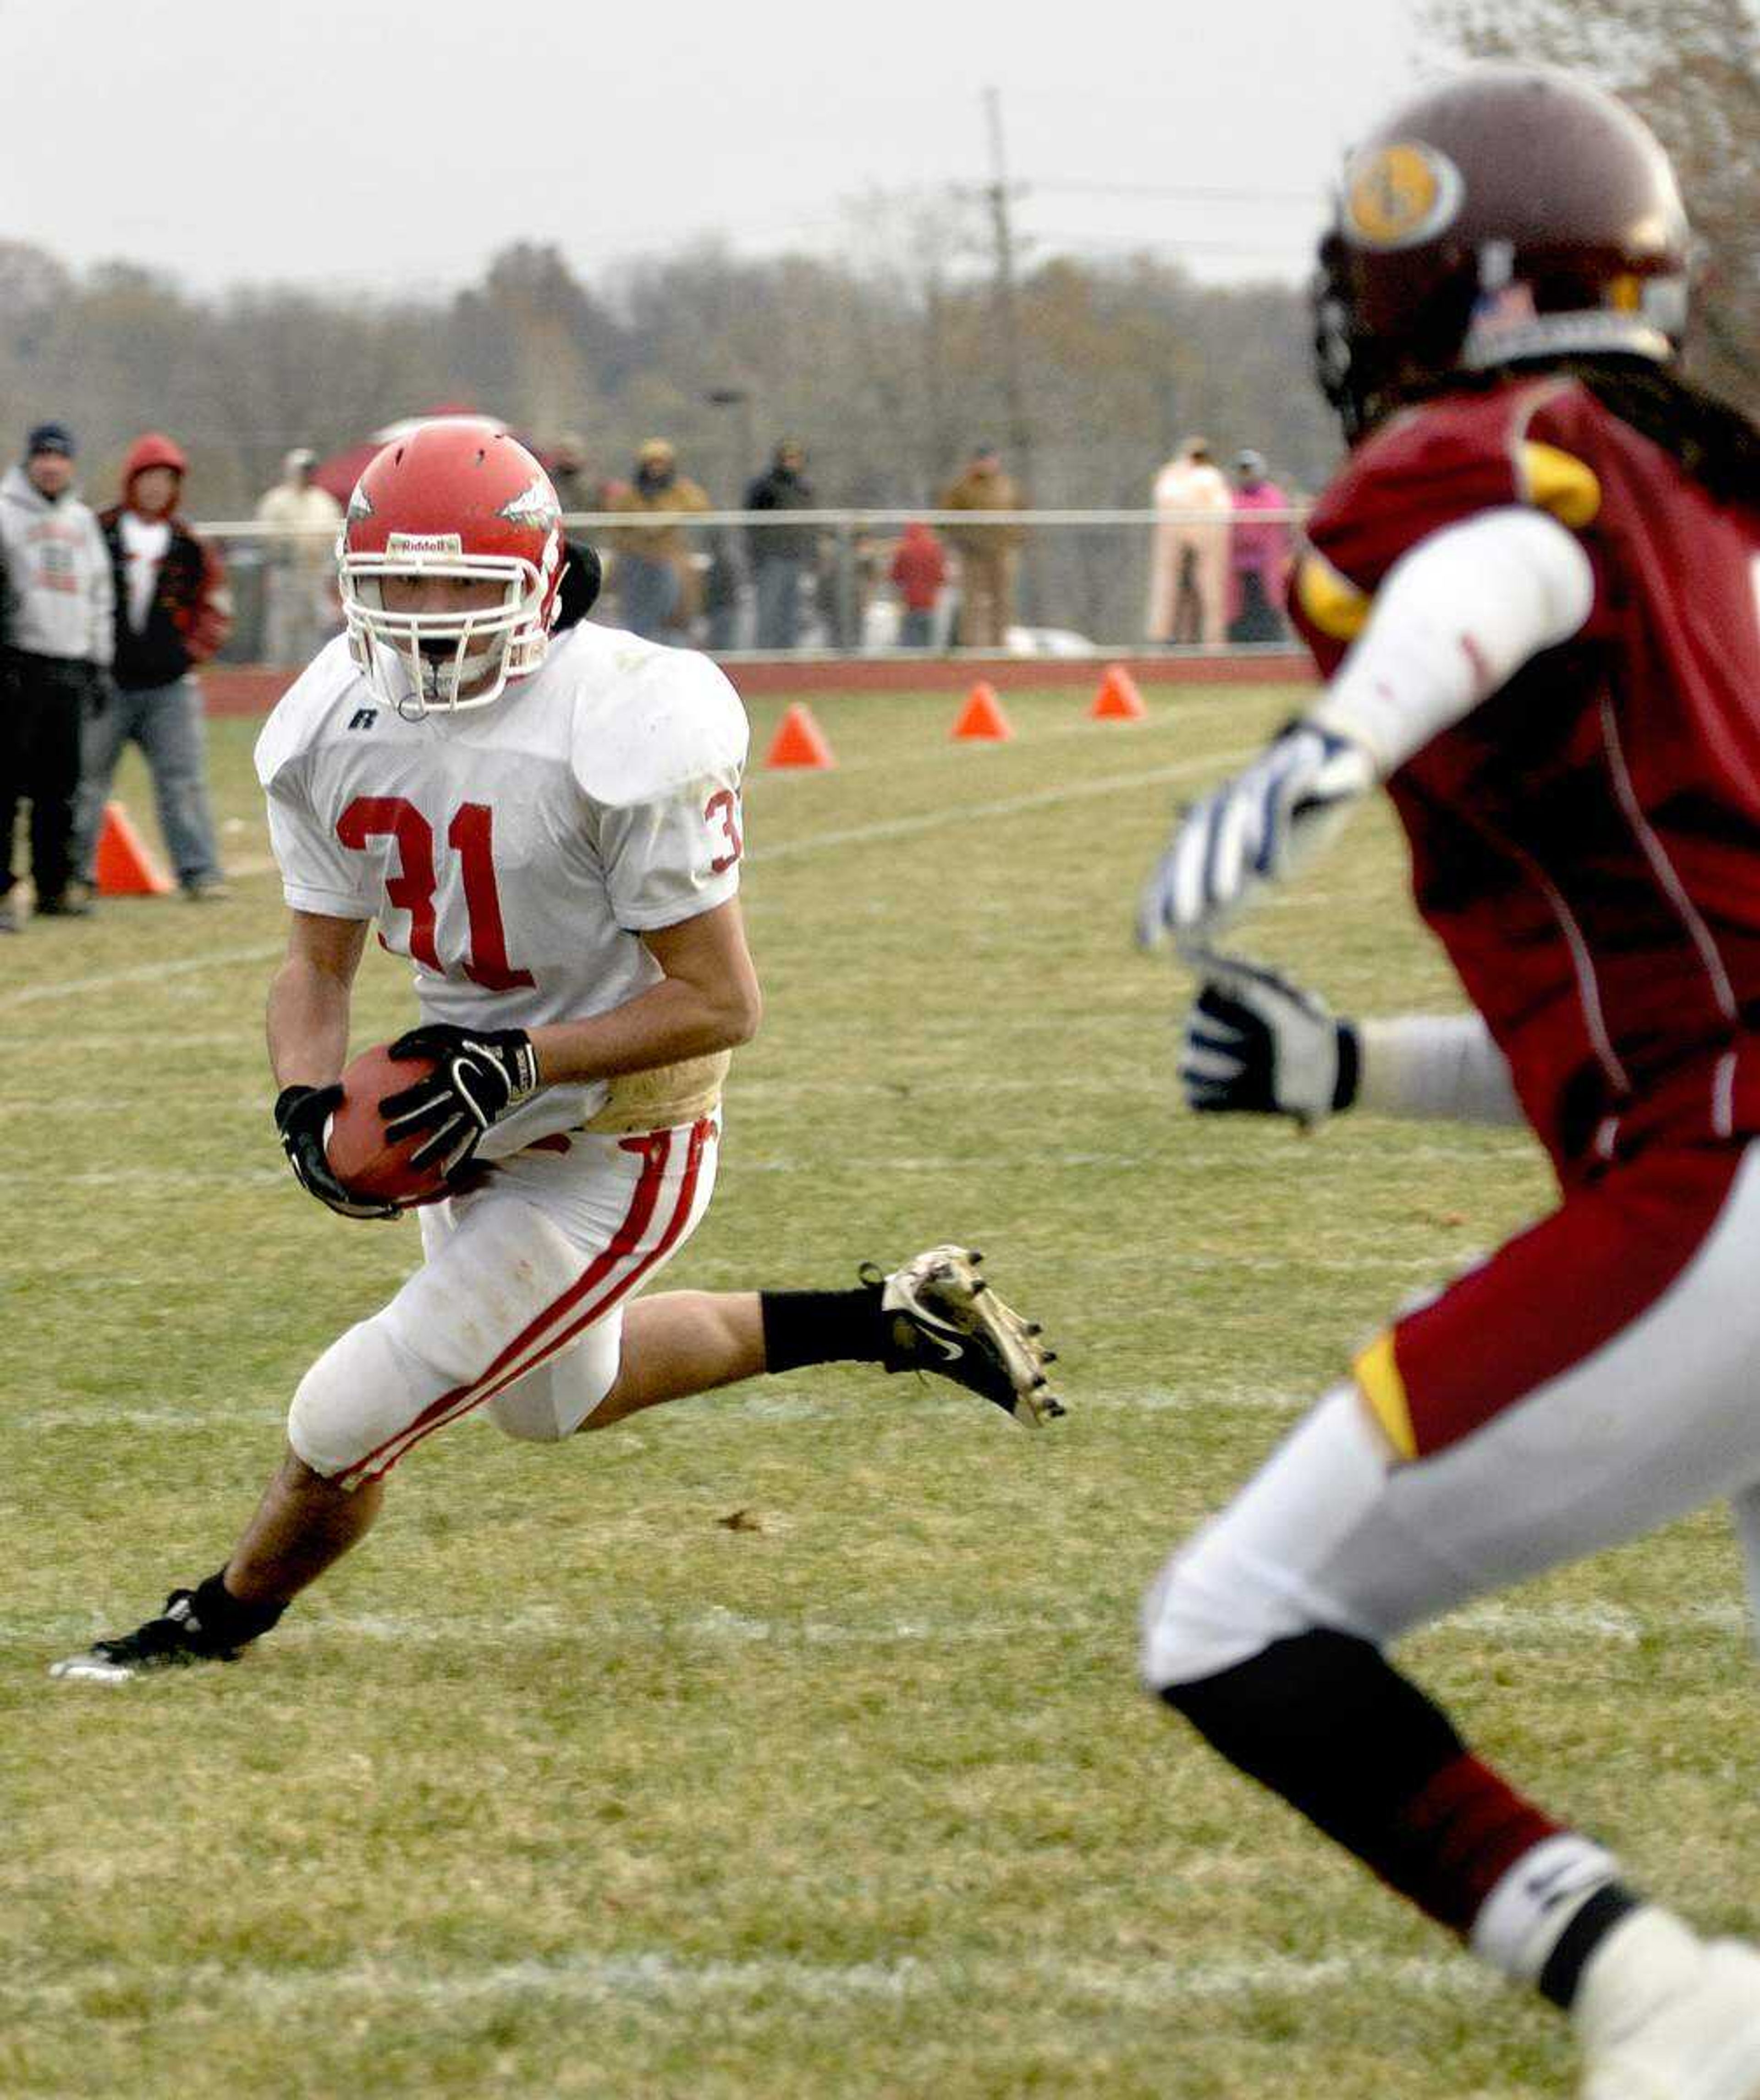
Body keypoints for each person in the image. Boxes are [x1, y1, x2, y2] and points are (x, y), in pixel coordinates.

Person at [50, 419, 1061, 1686]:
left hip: (616, 1130)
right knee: (550, 1400)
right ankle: (890, 1320)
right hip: (460, 1108)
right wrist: (305, 1102)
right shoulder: (327, 722)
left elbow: (722, 999)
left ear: (542, 579)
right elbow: (314, 965)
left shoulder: (628, 717)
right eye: (395, 586)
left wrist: (523, 1065)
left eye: (459, 588)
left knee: (349, 1411)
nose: (423, 622)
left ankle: (216, 1618)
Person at [1135, 66, 1760, 2095]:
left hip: (1731, 1173)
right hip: (1707, 1115)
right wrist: (1344, 1065)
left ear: (1458, 284)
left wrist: (1327, 751)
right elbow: (1635, 1022)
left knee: (1231, 1614)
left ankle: (1647, 1983)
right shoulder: (1711, 507)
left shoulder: (1525, 471)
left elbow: (1499, 574)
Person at [73, 431, 232, 901]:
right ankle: (75, 873)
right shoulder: (96, 531)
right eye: (149, 478)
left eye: (166, 480)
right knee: (86, 782)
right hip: (107, 682)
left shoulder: (190, 544)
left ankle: (200, 872)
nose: (157, 489)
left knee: (183, 783)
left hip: (170, 688)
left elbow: (217, 608)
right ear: (132, 481)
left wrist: (189, 654)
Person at [0, 422, 113, 929]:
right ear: (29, 461)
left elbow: (98, 593)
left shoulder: (82, 521)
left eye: (59, 457)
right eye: (42, 456)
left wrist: (99, 661)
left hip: (70, 664)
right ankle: (4, 892)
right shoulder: (5, 513)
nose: (50, 465)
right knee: (6, 788)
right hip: (19, 661)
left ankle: (53, 886)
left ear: (70, 463)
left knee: (60, 787)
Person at [607, 438, 710, 643]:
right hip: (637, 561)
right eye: (651, 463)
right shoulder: (632, 495)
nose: (656, 468)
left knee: (672, 610)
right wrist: (641, 532)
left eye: (661, 463)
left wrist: (670, 518)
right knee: (637, 614)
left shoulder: (681, 491)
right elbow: (616, 526)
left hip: (671, 560)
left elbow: (701, 507)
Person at [255, 447, 342, 667]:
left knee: (314, 623)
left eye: (310, 471)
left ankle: (311, 668)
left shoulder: (324, 501)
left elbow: (334, 534)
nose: (307, 475)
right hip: (286, 571)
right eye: (303, 470)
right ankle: (276, 670)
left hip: (316, 573)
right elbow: (267, 535)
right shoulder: (276, 500)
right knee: (282, 623)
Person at [1145, 437, 1231, 645]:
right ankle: (1166, 637)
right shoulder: (1173, 476)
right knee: (1172, 592)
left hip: (1206, 539)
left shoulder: (1211, 476)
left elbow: (1222, 508)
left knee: (1209, 592)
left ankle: (1212, 640)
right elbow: (1166, 501)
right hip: (1176, 540)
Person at [938, 445, 1025, 649]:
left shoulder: (1007, 485)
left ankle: (1000, 645)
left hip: (1002, 551)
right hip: (973, 553)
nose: (987, 465)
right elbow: (945, 518)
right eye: (982, 461)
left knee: (1002, 601)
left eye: (991, 460)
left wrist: (1018, 536)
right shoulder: (962, 487)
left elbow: (1021, 511)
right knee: (973, 602)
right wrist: (963, 536)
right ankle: (971, 646)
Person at [743, 441, 816, 651]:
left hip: (795, 556)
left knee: (791, 611)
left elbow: (810, 524)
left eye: (795, 458)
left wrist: (811, 551)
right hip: (771, 557)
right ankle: (764, 654)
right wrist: (758, 552)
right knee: (768, 609)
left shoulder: (804, 488)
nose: (791, 463)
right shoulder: (765, 487)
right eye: (787, 458)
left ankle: (788, 656)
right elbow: (753, 522)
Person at [1225, 448, 1292, 644]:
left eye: (1250, 470)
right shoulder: (1232, 499)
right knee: (1241, 613)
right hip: (1239, 571)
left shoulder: (1272, 497)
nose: (1247, 475)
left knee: (1267, 611)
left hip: (1266, 570)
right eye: (1243, 470)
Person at [888, 521, 947, 649]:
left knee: (910, 644)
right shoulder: (934, 549)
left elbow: (895, 576)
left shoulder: (903, 549)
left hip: (909, 602)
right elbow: (941, 576)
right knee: (928, 643)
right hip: (930, 602)